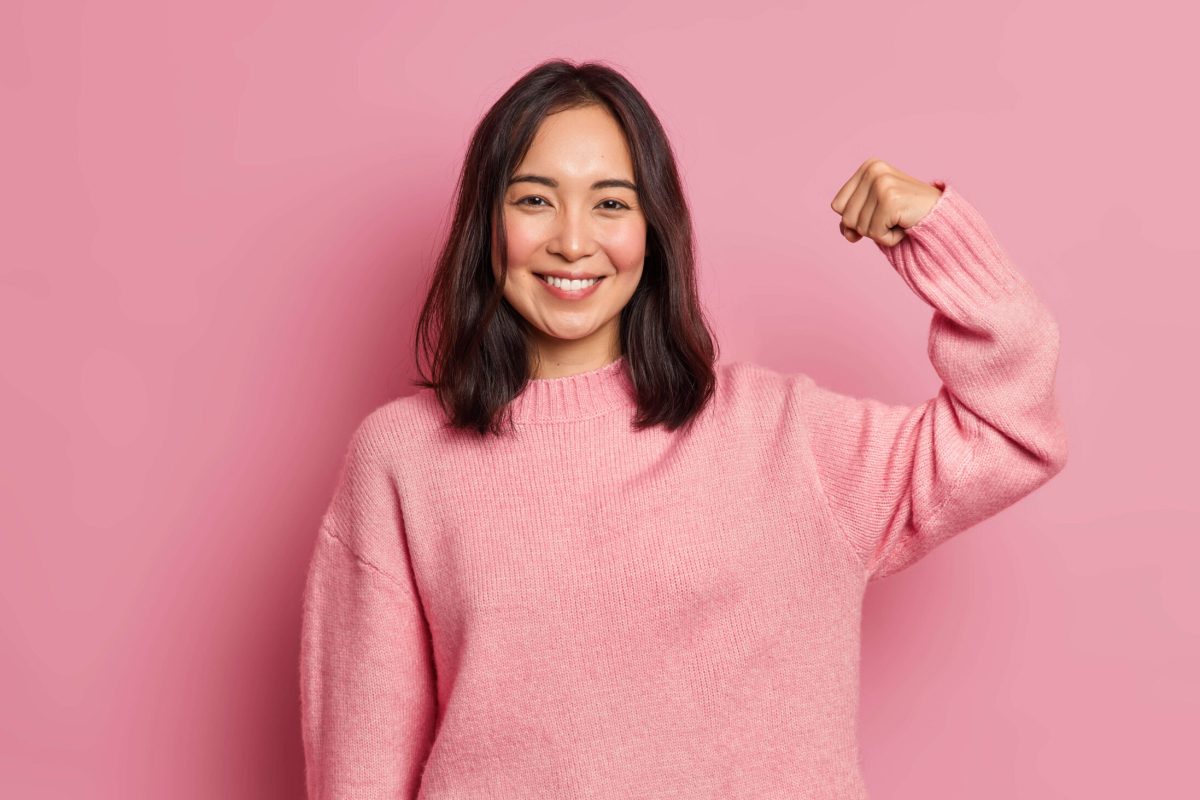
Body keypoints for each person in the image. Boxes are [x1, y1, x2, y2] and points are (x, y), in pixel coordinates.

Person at [298, 58, 1068, 799]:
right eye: (534, 200)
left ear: (653, 231)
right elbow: (359, 773)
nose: (573, 240)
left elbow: (1010, 429)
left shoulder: (788, 438)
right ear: (487, 224)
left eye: (610, 203)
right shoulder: (402, 460)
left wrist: (938, 234)